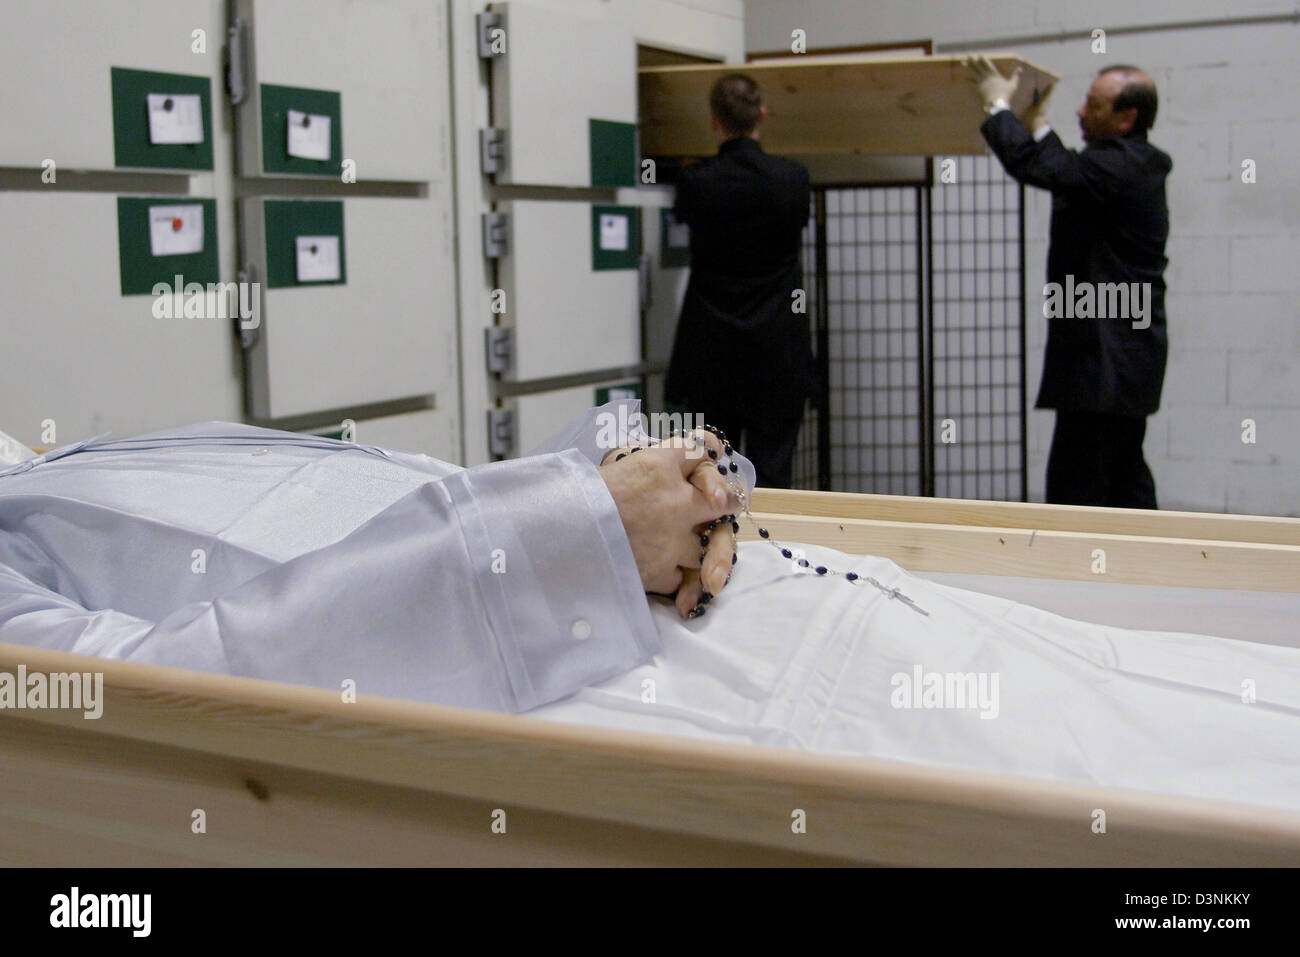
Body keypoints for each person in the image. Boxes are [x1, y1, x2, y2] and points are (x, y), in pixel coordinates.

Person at [0, 401, 752, 713]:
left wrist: (672, 478)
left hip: (644, 607)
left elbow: (427, 493)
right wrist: (588, 528)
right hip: (572, 671)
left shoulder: (40, 464)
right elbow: (151, 694)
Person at [967, 57, 1172, 508]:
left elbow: (1042, 168)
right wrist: (1036, 121)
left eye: (1094, 106)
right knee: (1123, 477)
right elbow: (1063, 166)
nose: (1080, 111)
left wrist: (998, 107)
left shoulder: (1119, 167)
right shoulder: (1129, 163)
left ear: (1126, 117)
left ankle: (1084, 571)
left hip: (1106, 357)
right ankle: (1148, 565)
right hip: (1121, 356)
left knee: (1078, 485)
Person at [665, 72, 813, 490]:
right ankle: (775, 552)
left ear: (714, 121)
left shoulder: (697, 183)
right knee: (773, 477)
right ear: (762, 115)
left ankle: (718, 554)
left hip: (713, 353)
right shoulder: (793, 179)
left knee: (709, 475)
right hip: (779, 351)